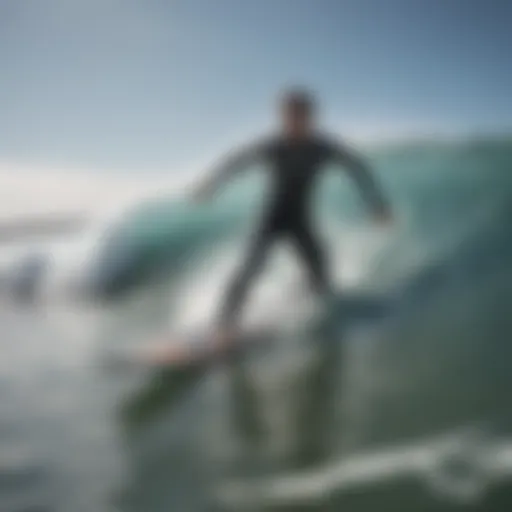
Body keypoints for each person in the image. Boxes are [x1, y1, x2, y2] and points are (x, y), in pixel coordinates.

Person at [192, 89, 392, 346]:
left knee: (321, 274)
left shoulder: (323, 148)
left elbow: (357, 166)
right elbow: (236, 161)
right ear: (282, 117)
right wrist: (211, 184)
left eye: (301, 115)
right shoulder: (273, 146)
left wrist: (376, 204)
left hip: (301, 221)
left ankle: (312, 311)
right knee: (250, 267)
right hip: (271, 218)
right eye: (289, 115)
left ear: (311, 117)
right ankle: (223, 325)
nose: (295, 121)